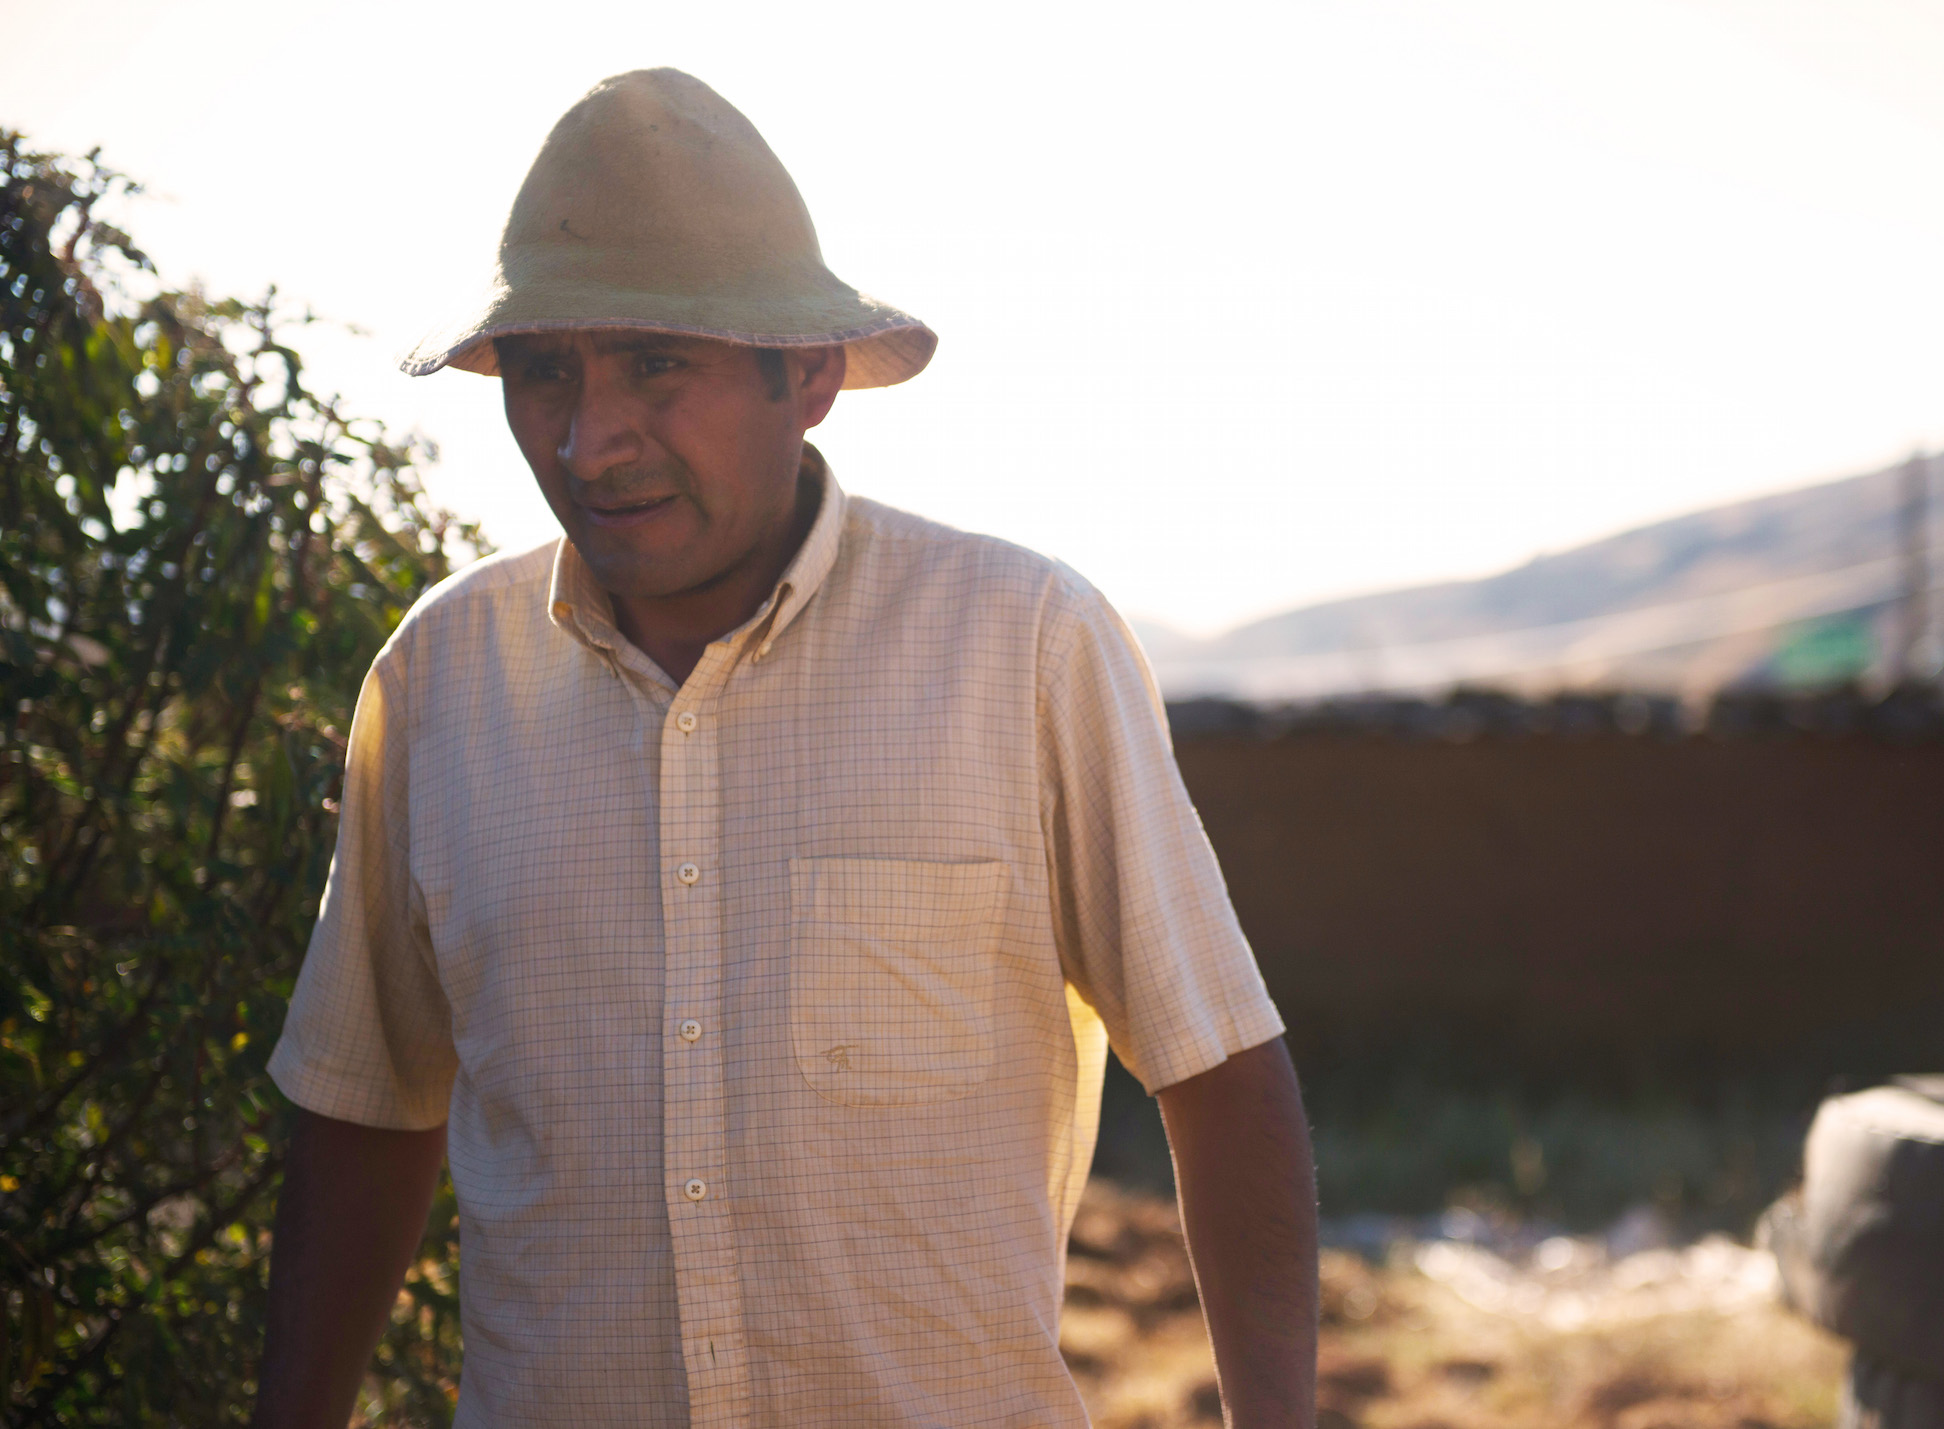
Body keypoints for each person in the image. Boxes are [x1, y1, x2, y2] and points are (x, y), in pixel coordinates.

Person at [251, 68, 1318, 1429]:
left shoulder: (1022, 647)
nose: (590, 438)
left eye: (655, 363)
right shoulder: (439, 683)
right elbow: (364, 1109)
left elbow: (1220, 1071)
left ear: (807, 377)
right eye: (543, 372)